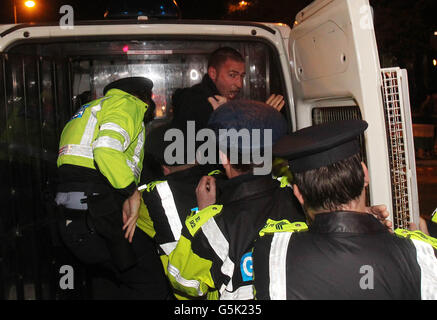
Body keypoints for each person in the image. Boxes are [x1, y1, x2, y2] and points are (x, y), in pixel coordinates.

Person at [252, 119, 437, 300]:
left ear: (299, 194)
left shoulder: (272, 251)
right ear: (364, 174)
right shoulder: (421, 256)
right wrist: (369, 226)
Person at [166, 100, 307, 300]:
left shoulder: (217, 223)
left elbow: (184, 283)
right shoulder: (300, 201)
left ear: (224, 157)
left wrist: (203, 214)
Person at [55, 77, 170, 299]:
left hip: (73, 217)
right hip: (99, 211)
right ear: (143, 97)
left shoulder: (88, 110)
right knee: (152, 282)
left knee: (109, 282)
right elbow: (106, 149)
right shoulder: (128, 104)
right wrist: (131, 192)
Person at [171, 46, 285, 132]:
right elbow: (231, 150)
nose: (239, 84)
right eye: (232, 75)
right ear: (213, 73)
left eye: (242, 76)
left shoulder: (218, 100)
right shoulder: (199, 103)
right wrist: (262, 120)